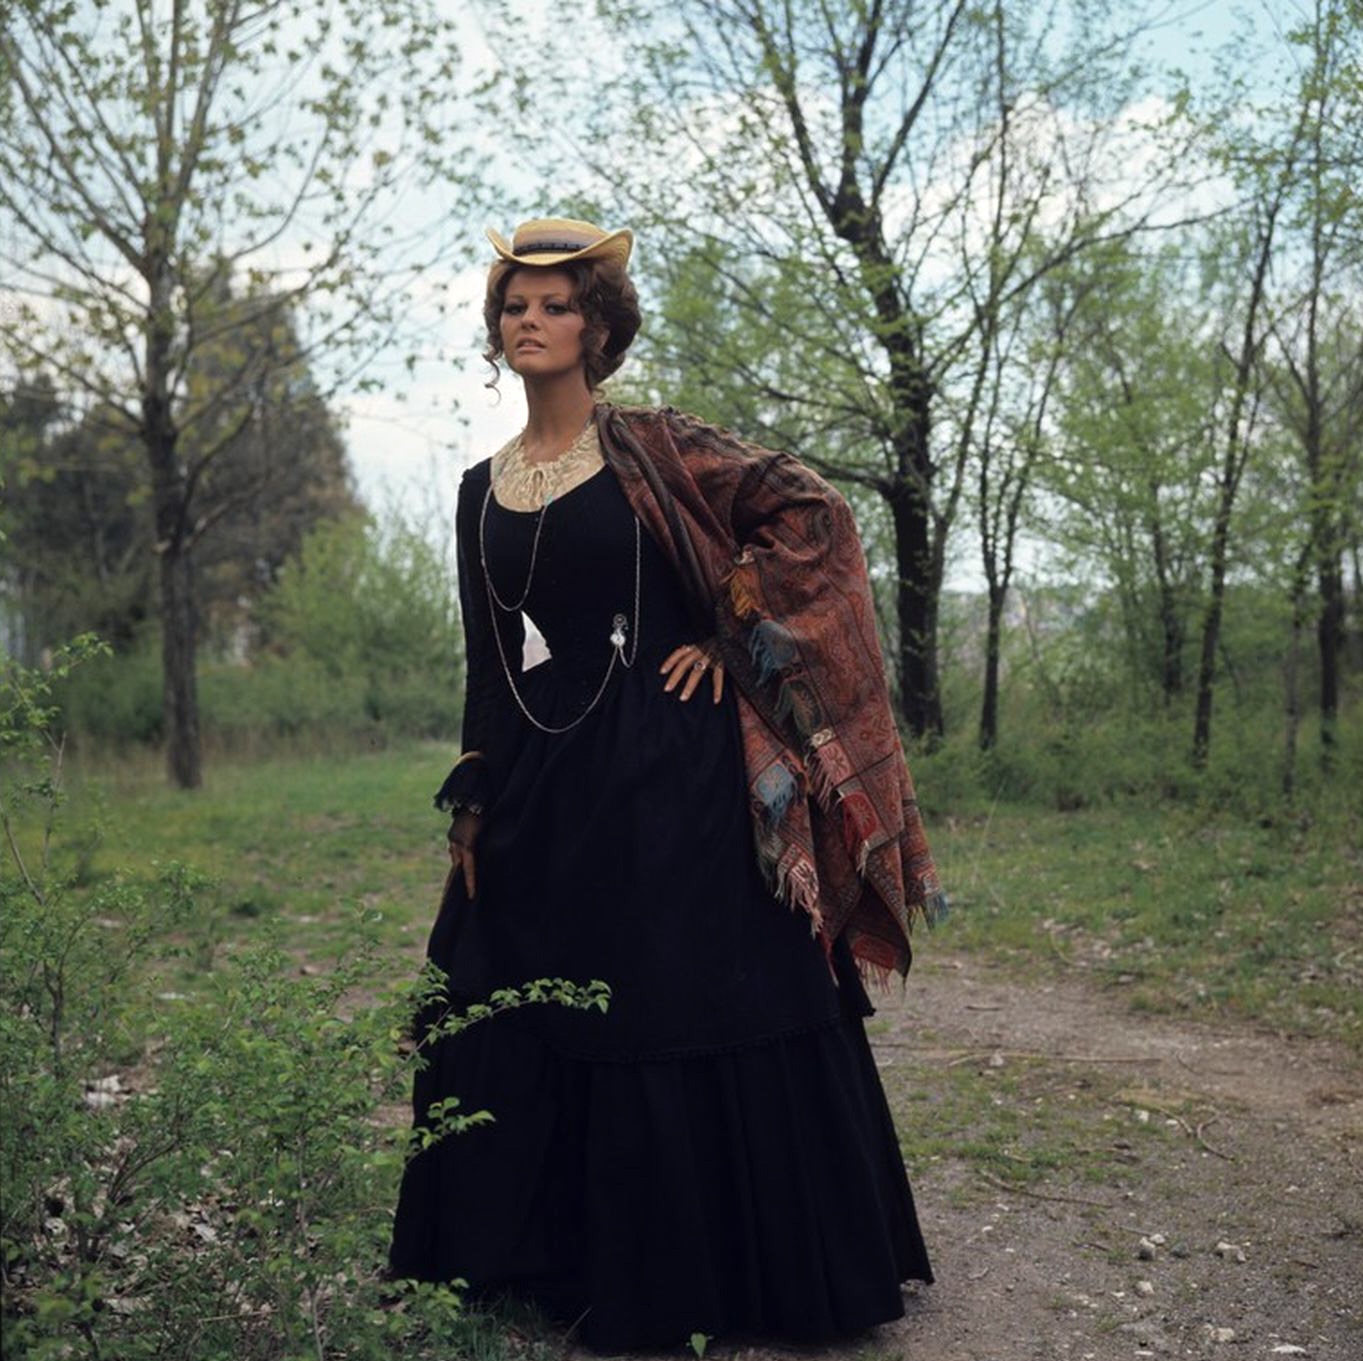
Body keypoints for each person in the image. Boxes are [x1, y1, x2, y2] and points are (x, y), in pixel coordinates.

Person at [388, 216, 947, 1352]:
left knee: (678, 989)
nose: (530, 321)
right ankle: (539, 1255)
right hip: (542, 773)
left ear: (596, 329)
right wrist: (473, 795)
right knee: (505, 975)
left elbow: (813, 516)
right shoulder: (477, 489)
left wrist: (729, 631)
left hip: (669, 767)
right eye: (514, 305)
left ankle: (723, 1268)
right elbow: (488, 660)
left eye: (554, 305)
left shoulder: (653, 447)